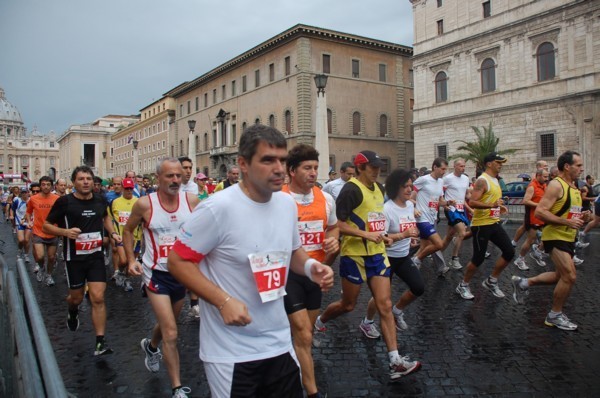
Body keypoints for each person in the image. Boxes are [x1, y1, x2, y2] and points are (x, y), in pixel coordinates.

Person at [168, 125, 334, 397]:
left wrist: (310, 267)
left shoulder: (285, 205)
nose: (279, 168)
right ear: (243, 164)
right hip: (231, 351)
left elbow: (293, 252)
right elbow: (177, 262)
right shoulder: (217, 208)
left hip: (279, 343)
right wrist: (223, 300)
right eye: (268, 160)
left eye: (282, 160)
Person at [315, 150, 421, 381]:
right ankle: (319, 321)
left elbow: (377, 217)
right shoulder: (351, 190)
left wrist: (386, 233)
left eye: (379, 167)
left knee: (385, 305)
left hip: (378, 253)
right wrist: (364, 233)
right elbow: (338, 225)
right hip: (354, 255)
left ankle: (395, 360)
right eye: (372, 167)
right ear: (360, 167)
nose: (377, 171)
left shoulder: (380, 189)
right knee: (348, 305)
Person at [125, 158, 199, 398]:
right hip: (156, 273)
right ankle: (177, 388)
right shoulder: (145, 205)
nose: (176, 180)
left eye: (179, 176)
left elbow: (204, 231)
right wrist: (130, 259)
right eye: (170, 176)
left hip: (182, 274)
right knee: (171, 332)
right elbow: (127, 231)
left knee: (170, 325)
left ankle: (151, 345)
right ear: (159, 178)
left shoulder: (191, 202)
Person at [281, 144, 339, 398]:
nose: (313, 173)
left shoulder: (326, 199)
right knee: (303, 332)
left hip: (315, 272)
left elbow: (334, 227)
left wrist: (333, 240)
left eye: (316, 167)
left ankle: (292, 364)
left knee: (306, 332)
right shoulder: (278, 198)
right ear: (292, 170)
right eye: (307, 168)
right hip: (286, 275)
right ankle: (312, 391)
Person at [43, 165, 119, 356]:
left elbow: (105, 218)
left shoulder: (101, 200)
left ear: (93, 182)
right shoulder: (64, 202)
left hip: (95, 256)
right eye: (81, 179)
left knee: (98, 297)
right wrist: (65, 232)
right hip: (74, 258)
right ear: (73, 182)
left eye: (88, 179)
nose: (85, 182)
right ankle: (72, 310)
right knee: (76, 298)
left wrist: (113, 233)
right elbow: (46, 226)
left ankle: (100, 342)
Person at [512, 151, 590, 330]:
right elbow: (540, 212)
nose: (581, 168)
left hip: (568, 237)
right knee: (569, 276)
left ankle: (523, 283)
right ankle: (554, 315)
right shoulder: (556, 185)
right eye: (578, 165)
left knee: (559, 276)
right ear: (567, 166)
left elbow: (568, 213)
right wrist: (567, 221)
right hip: (554, 236)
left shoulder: (574, 187)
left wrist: (582, 217)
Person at [456, 152, 515, 300]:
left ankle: (492, 280)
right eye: (498, 162)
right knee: (478, 258)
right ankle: (463, 285)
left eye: (501, 163)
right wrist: (492, 205)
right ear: (489, 163)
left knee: (509, 251)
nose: (500, 165)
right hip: (481, 225)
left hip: (494, 222)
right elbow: (473, 203)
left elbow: (492, 201)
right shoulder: (483, 180)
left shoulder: (495, 180)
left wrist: (498, 208)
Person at [382, 168, 423, 331]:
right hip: (387, 259)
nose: (409, 189)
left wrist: (412, 238)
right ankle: (368, 320)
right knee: (381, 298)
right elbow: (382, 240)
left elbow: (409, 228)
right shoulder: (386, 209)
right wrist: (404, 235)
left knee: (419, 287)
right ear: (395, 188)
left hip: (403, 257)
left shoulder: (409, 206)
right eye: (405, 186)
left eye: (411, 186)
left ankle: (397, 310)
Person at [410, 157, 452, 275]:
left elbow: (440, 201)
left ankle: (410, 264)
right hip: (422, 218)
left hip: (432, 217)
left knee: (424, 246)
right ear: (435, 167)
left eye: (446, 169)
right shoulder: (423, 180)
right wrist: (414, 208)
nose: (444, 172)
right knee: (439, 244)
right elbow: (409, 197)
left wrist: (448, 203)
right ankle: (416, 259)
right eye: (442, 169)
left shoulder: (440, 182)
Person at [25, 176, 60, 286]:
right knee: (40, 256)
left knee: (51, 257)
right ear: (40, 186)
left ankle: (49, 275)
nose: (45, 186)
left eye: (48, 184)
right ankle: (41, 267)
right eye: (43, 184)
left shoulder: (57, 198)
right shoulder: (33, 199)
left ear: (52, 186)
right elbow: (28, 212)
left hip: (53, 232)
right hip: (38, 231)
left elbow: (62, 213)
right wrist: (29, 221)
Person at [108, 178, 141, 291]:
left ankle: (127, 280)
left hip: (136, 237)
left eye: (131, 188)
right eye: (126, 188)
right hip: (121, 236)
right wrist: (112, 233)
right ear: (122, 188)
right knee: (123, 260)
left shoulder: (138, 202)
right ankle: (119, 272)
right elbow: (108, 218)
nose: (129, 191)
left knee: (132, 263)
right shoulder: (115, 202)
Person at [440, 159, 473, 269]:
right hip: (451, 209)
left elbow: (466, 196)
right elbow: (440, 193)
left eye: (464, 166)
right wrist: (445, 205)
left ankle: (437, 253)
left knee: (449, 236)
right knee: (462, 232)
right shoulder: (447, 178)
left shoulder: (466, 179)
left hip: (461, 209)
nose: (462, 168)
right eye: (460, 166)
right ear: (454, 166)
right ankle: (454, 259)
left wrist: (477, 198)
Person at [513, 169, 549, 270]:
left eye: (547, 177)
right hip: (533, 217)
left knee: (548, 236)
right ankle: (520, 259)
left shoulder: (544, 185)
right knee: (530, 240)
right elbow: (525, 201)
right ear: (538, 175)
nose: (546, 179)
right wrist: (539, 205)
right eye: (545, 177)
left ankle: (537, 252)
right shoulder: (532, 186)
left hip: (542, 216)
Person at [13, 187, 32, 263]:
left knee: (27, 240)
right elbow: (13, 209)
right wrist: (11, 215)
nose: (24, 194)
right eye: (23, 193)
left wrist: (26, 219)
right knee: (21, 240)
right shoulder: (17, 200)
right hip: (19, 222)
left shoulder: (31, 200)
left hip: (28, 222)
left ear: (28, 193)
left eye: (25, 193)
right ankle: (20, 250)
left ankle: (26, 255)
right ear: (21, 193)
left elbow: (30, 212)